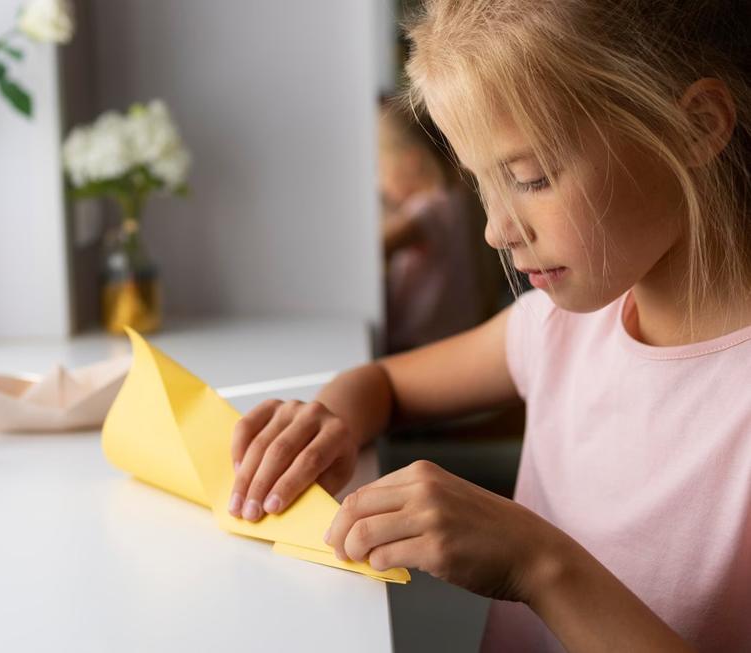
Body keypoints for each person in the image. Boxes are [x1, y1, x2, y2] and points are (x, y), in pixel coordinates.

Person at [227, 1, 751, 650]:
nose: (496, 230)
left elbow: (537, 563)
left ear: (694, 126)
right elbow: (384, 382)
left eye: (531, 178)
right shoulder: (557, 328)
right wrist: (327, 422)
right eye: (480, 183)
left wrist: (536, 563)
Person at [377, 95, 494, 351]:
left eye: (380, 169)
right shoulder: (458, 196)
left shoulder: (428, 211)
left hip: (425, 341)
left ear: (411, 163)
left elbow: (379, 247)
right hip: (456, 330)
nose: (379, 184)